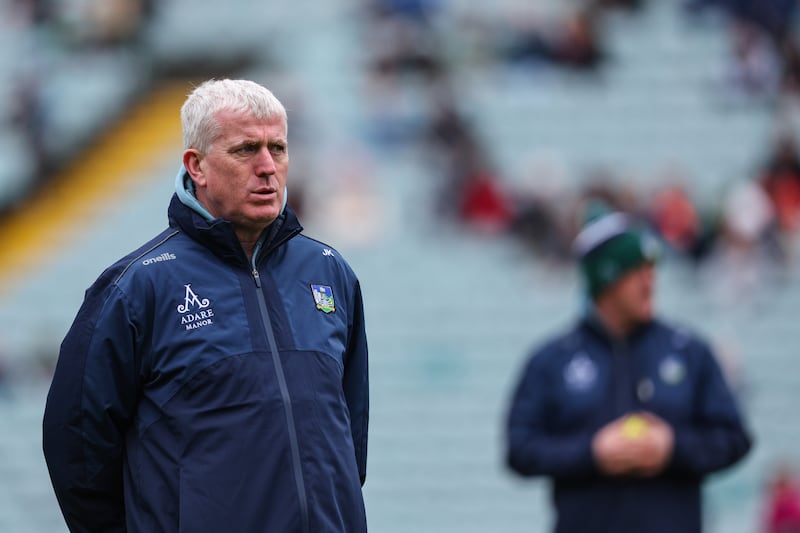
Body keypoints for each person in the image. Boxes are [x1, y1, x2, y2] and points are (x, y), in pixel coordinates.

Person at [42, 79, 369, 533]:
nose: (268, 167)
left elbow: (349, 445)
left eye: (278, 148)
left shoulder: (330, 272)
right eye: (245, 150)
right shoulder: (137, 287)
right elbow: (76, 449)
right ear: (197, 166)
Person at [504, 205, 752, 533]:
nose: (650, 281)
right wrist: (591, 452)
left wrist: (672, 447)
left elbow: (734, 438)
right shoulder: (552, 360)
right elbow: (520, 449)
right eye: (636, 270)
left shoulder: (690, 351)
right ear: (606, 278)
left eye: (652, 269)